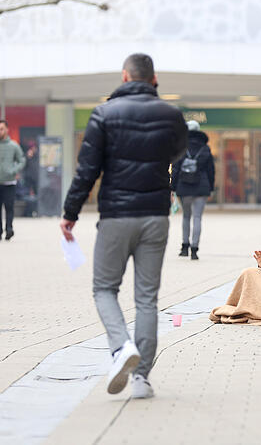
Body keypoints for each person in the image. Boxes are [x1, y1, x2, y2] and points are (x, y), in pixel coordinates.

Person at [60, 53, 187, 399]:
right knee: (147, 298)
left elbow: (88, 170)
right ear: (153, 79)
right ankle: (141, 378)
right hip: (156, 214)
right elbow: (177, 154)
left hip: (115, 214)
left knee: (104, 288)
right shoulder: (171, 115)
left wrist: (70, 213)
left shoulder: (104, 114)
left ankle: (120, 348)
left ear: (125, 76)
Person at [170, 120, 214, 260]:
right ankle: (194, 250)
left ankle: (184, 246)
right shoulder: (205, 148)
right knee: (197, 217)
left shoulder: (181, 147)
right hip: (201, 187)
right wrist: (210, 187)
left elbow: (175, 169)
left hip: (184, 187)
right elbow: (211, 171)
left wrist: (173, 187)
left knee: (186, 216)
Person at [22, 142, 39, 217]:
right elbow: (23, 166)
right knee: (27, 195)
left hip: (36, 179)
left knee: (37, 195)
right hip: (28, 179)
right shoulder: (27, 157)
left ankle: (36, 211)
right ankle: (28, 212)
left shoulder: (38, 156)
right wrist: (27, 157)